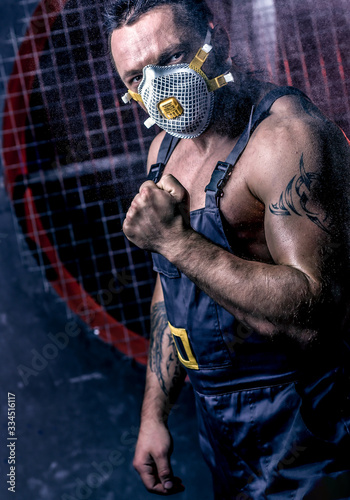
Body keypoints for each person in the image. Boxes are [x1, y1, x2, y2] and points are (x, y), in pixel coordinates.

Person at [106, 0, 350, 497]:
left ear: (218, 41)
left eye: (172, 58)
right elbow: (171, 286)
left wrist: (176, 241)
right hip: (218, 422)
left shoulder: (286, 137)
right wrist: (155, 414)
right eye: (137, 77)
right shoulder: (165, 150)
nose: (157, 88)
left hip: (307, 420)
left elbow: (314, 313)